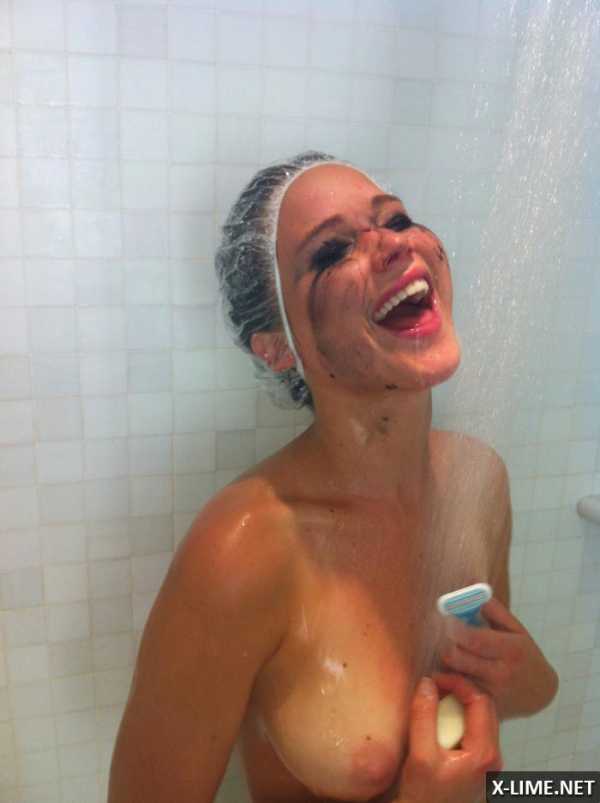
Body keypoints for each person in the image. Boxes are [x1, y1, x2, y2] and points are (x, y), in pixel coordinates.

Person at [108, 152, 558, 803]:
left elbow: (488, 737)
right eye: (331, 251)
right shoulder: (244, 550)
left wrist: (534, 684)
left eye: (396, 219)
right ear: (277, 346)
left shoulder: (479, 480)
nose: (395, 243)